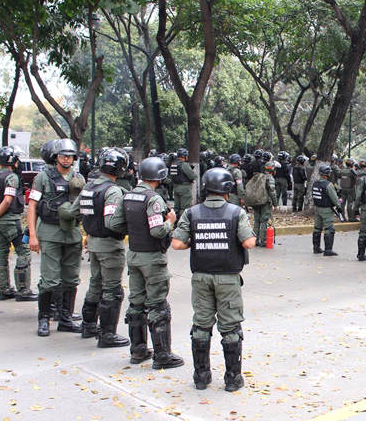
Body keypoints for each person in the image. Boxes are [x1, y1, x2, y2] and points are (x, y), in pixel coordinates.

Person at [172, 168, 256, 391]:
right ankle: (232, 379)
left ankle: (201, 376)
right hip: (228, 279)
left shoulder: (191, 213)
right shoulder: (236, 212)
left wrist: (195, 243)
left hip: (200, 277)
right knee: (230, 329)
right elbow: (248, 243)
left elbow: (177, 244)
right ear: (228, 189)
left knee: (201, 325)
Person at [108, 157, 184, 369]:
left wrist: (133, 230)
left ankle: (138, 350)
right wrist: (170, 222)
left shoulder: (127, 195)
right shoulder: (154, 199)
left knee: (136, 303)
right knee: (158, 305)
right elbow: (157, 231)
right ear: (159, 176)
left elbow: (114, 223)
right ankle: (162, 356)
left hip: (133, 255)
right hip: (152, 258)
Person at [63, 147, 131, 347]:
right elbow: (112, 222)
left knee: (95, 284)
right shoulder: (113, 191)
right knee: (112, 290)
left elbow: (73, 211)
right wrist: (129, 228)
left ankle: (88, 325)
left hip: (93, 242)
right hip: (109, 244)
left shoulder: (89, 187)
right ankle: (107, 334)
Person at [28, 139, 86, 336]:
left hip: (72, 233)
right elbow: (33, 206)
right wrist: (32, 235)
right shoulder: (43, 177)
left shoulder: (79, 178)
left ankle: (66, 318)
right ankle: (44, 319)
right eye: (63, 155)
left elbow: (84, 208)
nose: (67, 159)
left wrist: (84, 234)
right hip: (50, 232)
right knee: (50, 279)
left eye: (70, 156)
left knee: (71, 278)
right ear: (56, 157)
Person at [0, 146, 37, 301]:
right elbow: (7, 200)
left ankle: (4, 289)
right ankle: (23, 290)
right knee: (23, 252)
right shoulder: (10, 177)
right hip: (9, 220)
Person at [249, 161, 277, 246]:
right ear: (273, 169)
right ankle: (264, 241)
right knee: (264, 221)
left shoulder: (259, 176)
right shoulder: (270, 178)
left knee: (257, 221)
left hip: (256, 202)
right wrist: (275, 204)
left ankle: (255, 240)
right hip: (265, 203)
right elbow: (272, 192)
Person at [170, 149, 197, 213]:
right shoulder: (184, 164)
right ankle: (182, 222)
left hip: (176, 187)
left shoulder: (173, 164)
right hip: (185, 188)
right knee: (185, 208)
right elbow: (193, 176)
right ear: (184, 156)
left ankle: (175, 221)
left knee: (177, 207)